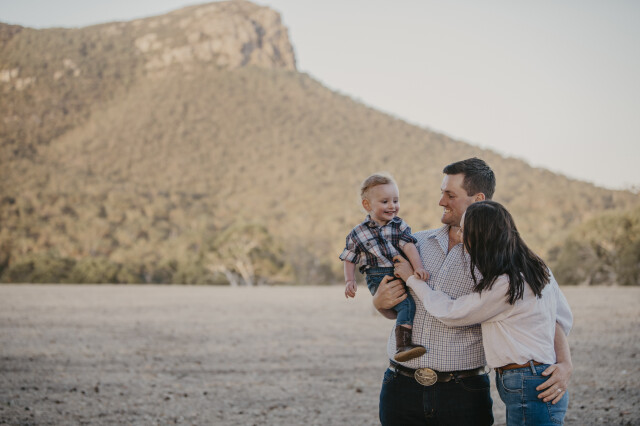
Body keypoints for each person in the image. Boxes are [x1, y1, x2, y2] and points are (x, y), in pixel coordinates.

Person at [372, 158, 573, 425]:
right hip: (401, 385)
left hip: (463, 392)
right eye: (442, 192)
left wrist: (565, 364)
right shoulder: (414, 244)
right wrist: (379, 303)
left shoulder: (505, 261)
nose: (441, 201)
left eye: (450, 195)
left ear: (478, 199)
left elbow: (553, 314)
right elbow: (395, 305)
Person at [340, 173, 428, 362]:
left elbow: (409, 246)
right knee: (407, 304)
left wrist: (418, 267)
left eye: (395, 200)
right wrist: (350, 280)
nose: (392, 206)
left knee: (410, 302)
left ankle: (406, 339)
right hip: (377, 276)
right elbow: (349, 257)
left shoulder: (399, 225)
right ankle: (403, 345)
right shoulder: (358, 232)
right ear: (367, 205)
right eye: (385, 201)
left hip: (399, 271)